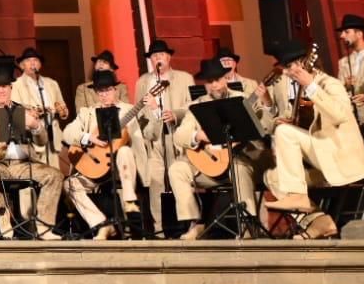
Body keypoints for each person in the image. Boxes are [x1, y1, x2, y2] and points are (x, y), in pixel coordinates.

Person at [263, 40, 364, 224]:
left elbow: (339, 114)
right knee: (273, 177)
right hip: (321, 159)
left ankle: (298, 196)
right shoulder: (300, 92)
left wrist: (312, 86)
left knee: (284, 132)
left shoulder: (330, 84)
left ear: (302, 63)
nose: (287, 72)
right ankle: (316, 222)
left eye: (289, 67)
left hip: (339, 157)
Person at [168, 59, 273, 240]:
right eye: (209, 82)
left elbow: (267, 127)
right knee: (177, 168)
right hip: (210, 165)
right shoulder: (198, 105)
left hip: (239, 161)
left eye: (217, 80)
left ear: (226, 79)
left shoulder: (241, 99)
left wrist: (266, 103)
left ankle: (247, 225)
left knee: (239, 167)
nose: (214, 85)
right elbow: (179, 135)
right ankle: (195, 223)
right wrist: (198, 136)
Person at [0, 64, 63, 240]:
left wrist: (36, 126)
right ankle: (2, 212)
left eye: (4, 87)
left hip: (23, 164)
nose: (1, 91)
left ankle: (44, 227)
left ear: (10, 88)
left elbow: (42, 141)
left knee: (55, 176)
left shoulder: (24, 110)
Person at [64, 69, 151, 239]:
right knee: (70, 184)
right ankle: (101, 224)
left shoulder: (130, 110)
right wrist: (89, 138)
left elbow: (151, 133)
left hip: (124, 168)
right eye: (100, 91)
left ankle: (129, 201)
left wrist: (153, 108)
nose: (104, 95)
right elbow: (68, 132)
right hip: (97, 167)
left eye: (108, 90)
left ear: (115, 90)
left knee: (124, 150)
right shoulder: (87, 113)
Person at [135, 38, 195, 233]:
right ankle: (160, 227)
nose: (157, 58)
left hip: (175, 134)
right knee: (156, 181)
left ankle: (187, 224)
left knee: (178, 176)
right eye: (154, 56)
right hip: (153, 137)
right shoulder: (143, 81)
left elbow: (192, 105)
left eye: (161, 55)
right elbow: (139, 111)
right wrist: (148, 123)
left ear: (169, 57)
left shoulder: (184, 78)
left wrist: (175, 114)